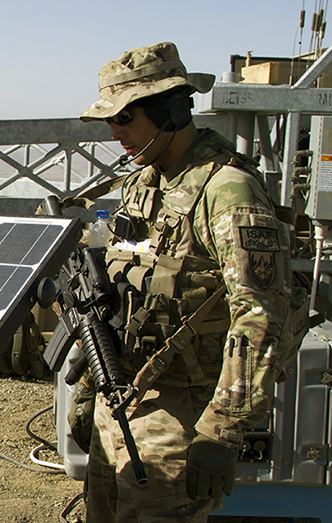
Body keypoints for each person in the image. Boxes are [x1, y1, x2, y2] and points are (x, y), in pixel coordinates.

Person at [71, 42, 295, 521]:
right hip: (123, 398)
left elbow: (261, 314)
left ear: (170, 110)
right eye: (110, 120)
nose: (115, 132)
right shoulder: (144, 182)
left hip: (182, 416)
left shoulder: (227, 190)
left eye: (125, 118)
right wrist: (91, 383)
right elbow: (117, 294)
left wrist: (222, 430)